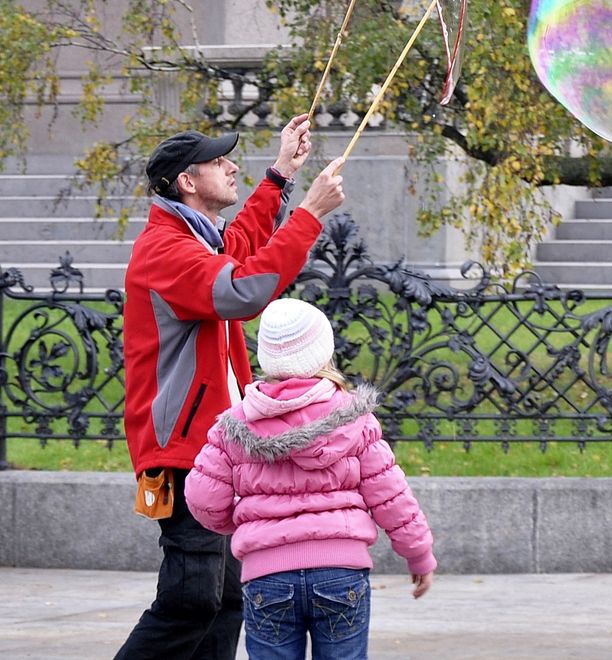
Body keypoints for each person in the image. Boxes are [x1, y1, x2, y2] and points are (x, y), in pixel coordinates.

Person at [117, 115, 347, 660]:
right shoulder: (164, 251)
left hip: (215, 449)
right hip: (182, 451)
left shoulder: (196, 238)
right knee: (192, 598)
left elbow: (239, 246)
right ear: (187, 182)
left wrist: (281, 174)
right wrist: (309, 214)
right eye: (219, 161)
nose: (230, 166)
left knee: (226, 599)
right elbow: (243, 290)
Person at [185, 298, 436, 660]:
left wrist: (241, 525)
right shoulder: (354, 418)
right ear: (324, 354)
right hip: (340, 572)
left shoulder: (236, 424)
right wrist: (419, 555)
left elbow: (204, 496)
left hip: (266, 577)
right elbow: (391, 496)